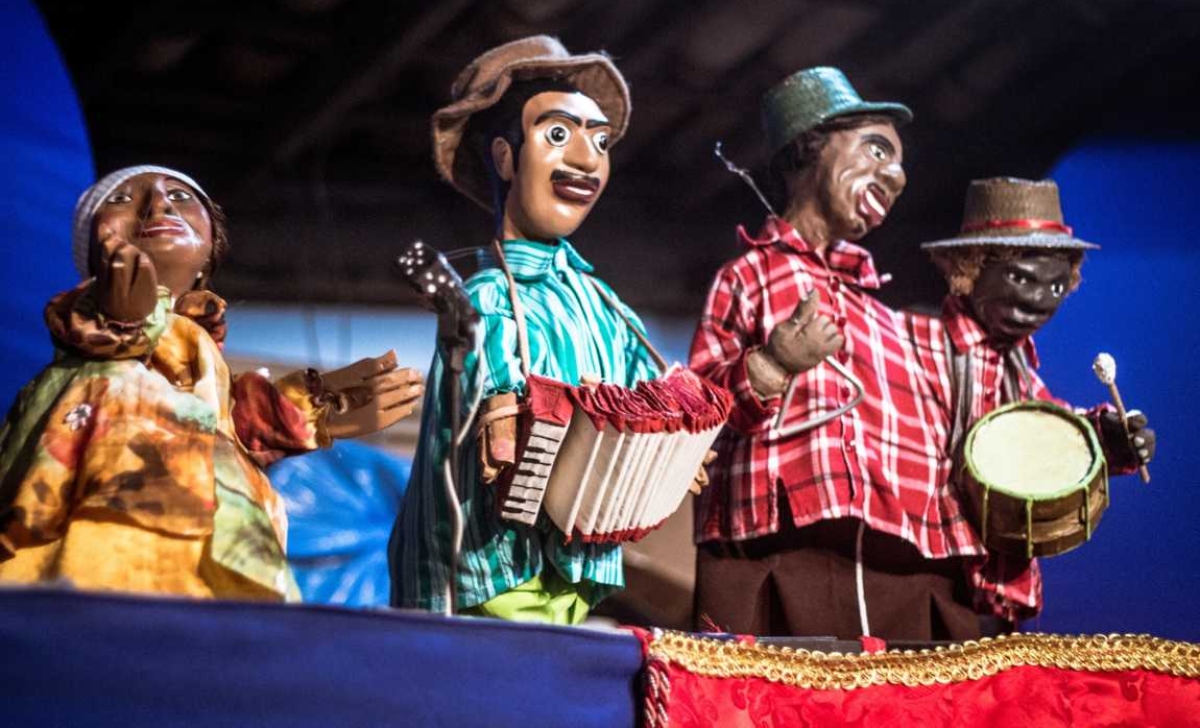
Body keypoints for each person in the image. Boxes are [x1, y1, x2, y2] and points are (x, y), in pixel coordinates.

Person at [0, 165, 424, 601]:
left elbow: (214, 423)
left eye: (182, 197)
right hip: (111, 550)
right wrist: (120, 318)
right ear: (91, 251)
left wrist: (304, 410)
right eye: (121, 200)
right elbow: (96, 345)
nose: (158, 203)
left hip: (215, 559)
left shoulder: (201, 353)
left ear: (210, 251)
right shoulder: (91, 336)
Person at [689, 67, 985, 640]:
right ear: (809, 147)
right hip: (781, 554)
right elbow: (691, 414)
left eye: (899, 164)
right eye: (877, 149)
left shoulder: (887, 317)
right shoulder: (749, 277)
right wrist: (770, 366)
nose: (895, 176)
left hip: (908, 567)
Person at [390, 36, 663, 624]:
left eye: (600, 140)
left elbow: (659, 393)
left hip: (579, 570)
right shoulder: (488, 302)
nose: (588, 161)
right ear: (506, 158)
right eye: (559, 134)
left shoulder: (607, 307)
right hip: (489, 578)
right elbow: (479, 431)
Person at [908, 176, 1156, 627]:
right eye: (1020, 277)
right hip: (924, 580)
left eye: (1057, 287)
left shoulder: (1016, 367)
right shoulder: (914, 343)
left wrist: (1106, 441)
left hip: (991, 592)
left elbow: (1037, 430)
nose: (1039, 300)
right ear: (968, 267)